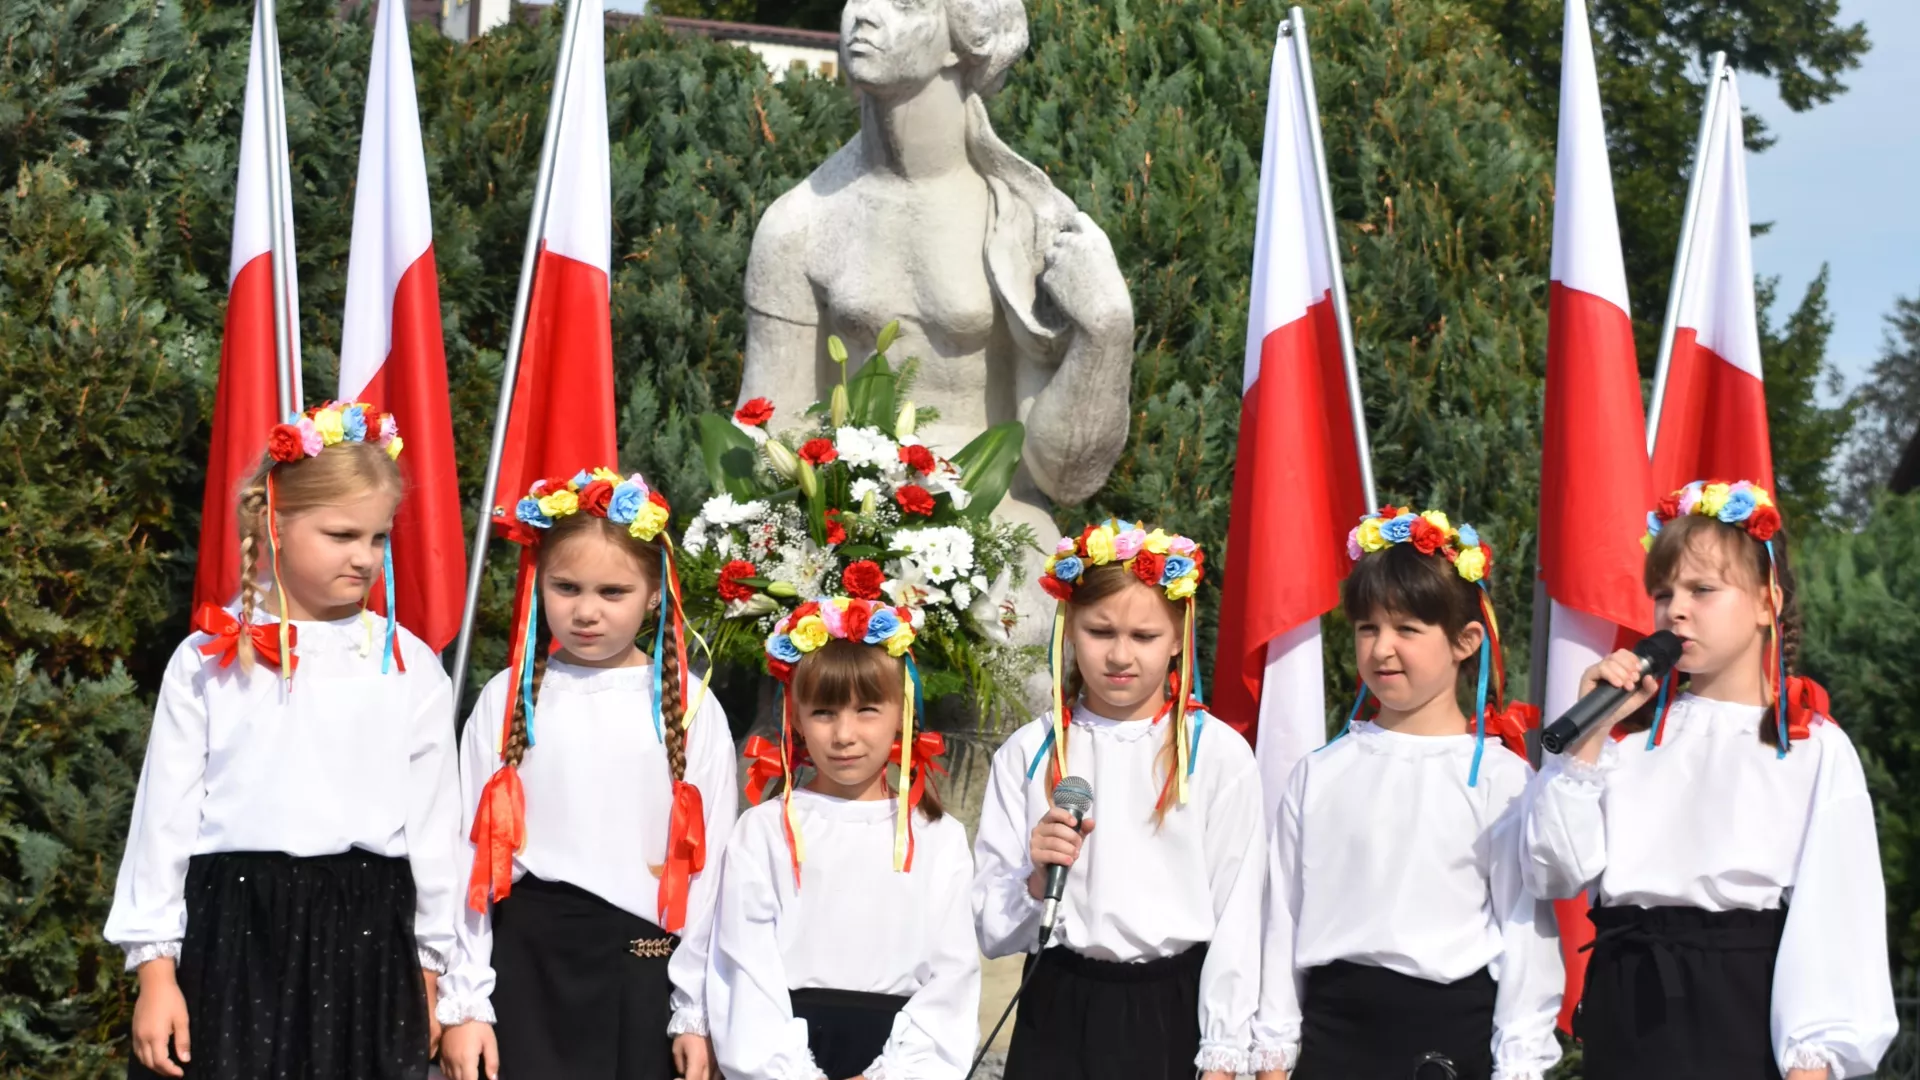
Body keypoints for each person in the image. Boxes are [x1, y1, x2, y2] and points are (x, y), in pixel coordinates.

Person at [107, 403, 457, 1080]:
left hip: (368, 945)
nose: (364, 558)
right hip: (235, 936)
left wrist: (435, 972)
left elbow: (436, 835)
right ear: (273, 522)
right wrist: (155, 974)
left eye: (378, 539)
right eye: (341, 534)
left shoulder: (410, 666)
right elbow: (163, 824)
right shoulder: (208, 657)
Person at [1524, 480, 1896, 1079]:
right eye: (1663, 592)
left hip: (1738, 1015)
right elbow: (1553, 870)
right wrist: (1585, 745)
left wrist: (1814, 1060)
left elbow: (1837, 917)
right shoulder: (1625, 739)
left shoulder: (1808, 744)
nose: (1675, 610)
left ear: (1764, 602)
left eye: (1703, 590)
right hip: (1628, 1009)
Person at [437, 469, 737, 1080]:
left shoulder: (692, 707)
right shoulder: (507, 696)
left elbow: (712, 876)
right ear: (538, 583)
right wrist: (466, 1003)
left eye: (613, 592)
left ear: (655, 592)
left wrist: (694, 1014)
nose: (586, 611)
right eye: (566, 587)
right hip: (521, 971)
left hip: (642, 974)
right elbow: (461, 854)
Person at [1251, 506, 1563, 1080]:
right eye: (1368, 628)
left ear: (1466, 640)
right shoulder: (1320, 772)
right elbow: (1282, 921)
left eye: (1407, 630)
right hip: (1332, 1039)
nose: (1381, 649)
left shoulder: (1500, 778)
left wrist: (1519, 1062)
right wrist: (1273, 1055)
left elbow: (1525, 933)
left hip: (1449, 1038)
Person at [972, 521, 1265, 1078]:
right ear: (1069, 629)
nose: (1120, 656)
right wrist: (1036, 881)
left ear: (1178, 637)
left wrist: (1225, 1049)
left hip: (1173, 1008)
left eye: (1145, 636)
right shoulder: (1030, 751)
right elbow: (991, 928)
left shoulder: (1216, 753)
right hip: (1057, 1001)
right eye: (1100, 632)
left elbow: (1239, 911)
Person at [707, 597, 980, 1079]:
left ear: (903, 712)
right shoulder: (764, 830)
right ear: (794, 717)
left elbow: (951, 979)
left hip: (901, 1054)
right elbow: (745, 968)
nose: (845, 734)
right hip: (786, 1052)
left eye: (868, 709)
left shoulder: (939, 838)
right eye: (825, 712)